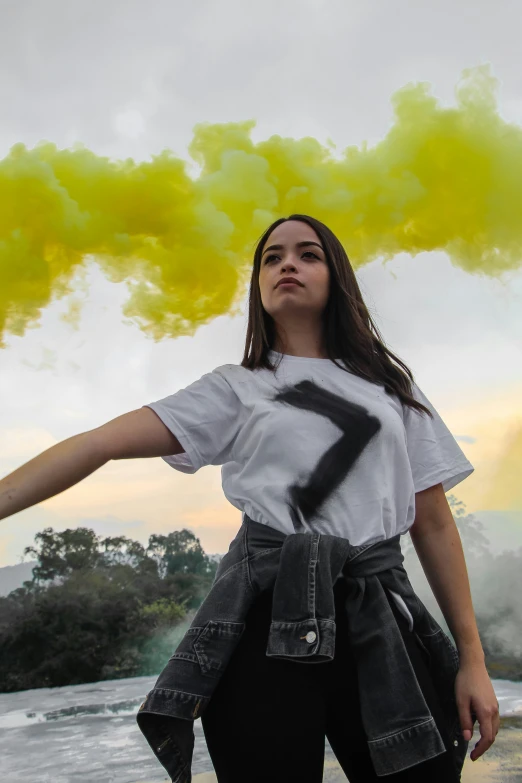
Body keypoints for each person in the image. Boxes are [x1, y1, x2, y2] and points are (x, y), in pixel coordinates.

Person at [0, 214, 499, 782]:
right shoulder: (235, 388)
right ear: (258, 287)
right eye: (272, 258)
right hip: (265, 621)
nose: (288, 264)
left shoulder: (391, 388)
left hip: (379, 612)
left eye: (308, 254)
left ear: (338, 278)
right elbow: (98, 443)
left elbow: (432, 524)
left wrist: (472, 660)